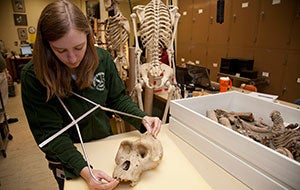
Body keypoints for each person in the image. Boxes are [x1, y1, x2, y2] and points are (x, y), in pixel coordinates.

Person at [21, 1, 161, 190]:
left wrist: (141, 118)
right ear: (46, 45)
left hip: (103, 144)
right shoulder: (33, 75)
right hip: (66, 157)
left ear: (89, 36)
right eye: (61, 50)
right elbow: (50, 134)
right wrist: (84, 170)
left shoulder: (102, 59)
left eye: (79, 47)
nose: (72, 59)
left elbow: (117, 99)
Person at [0, 53, 18, 124]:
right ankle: (1, 123)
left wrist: (6, 73)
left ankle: (4, 118)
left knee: (4, 99)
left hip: (2, 73)